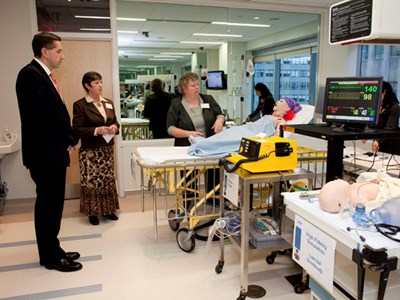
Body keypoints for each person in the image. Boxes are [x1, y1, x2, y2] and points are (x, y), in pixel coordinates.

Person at [15, 32, 82, 272]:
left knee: (53, 205)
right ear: (45, 51)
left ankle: (54, 248)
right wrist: (72, 136)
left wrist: (69, 137)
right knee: (48, 206)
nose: (62, 56)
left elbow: (55, 112)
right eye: (59, 51)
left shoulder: (43, 76)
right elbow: (46, 115)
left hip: (52, 151)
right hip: (45, 153)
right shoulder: (30, 75)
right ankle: (50, 256)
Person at [166, 71, 225, 199]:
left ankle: (212, 205)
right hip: (187, 147)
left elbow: (220, 114)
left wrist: (220, 121)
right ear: (184, 89)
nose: (197, 87)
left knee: (213, 178)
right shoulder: (176, 104)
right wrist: (189, 134)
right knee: (189, 180)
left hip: (210, 147)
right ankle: (189, 206)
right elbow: (170, 128)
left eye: (197, 85)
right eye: (193, 86)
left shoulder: (208, 99)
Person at [72, 72, 120, 226]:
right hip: (90, 152)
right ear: (87, 86)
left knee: (106, 180)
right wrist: (96, 130)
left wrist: (114, 127)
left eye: (101, 82)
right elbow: (77, 129)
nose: (100, 85)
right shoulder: (80, 105)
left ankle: (108, 210)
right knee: (92, 181)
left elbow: (116, 123)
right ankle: (92, 212)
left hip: (106, 149)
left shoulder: (108, 102)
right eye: (96, 83)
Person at [371, 81, 400, 154]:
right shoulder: (375, 106)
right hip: (380, 143)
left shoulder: (395, 107)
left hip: (393, 144)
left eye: (377, 94)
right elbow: (371, 124)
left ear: (384, 92)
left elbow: (389, 128)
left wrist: (377, 140)